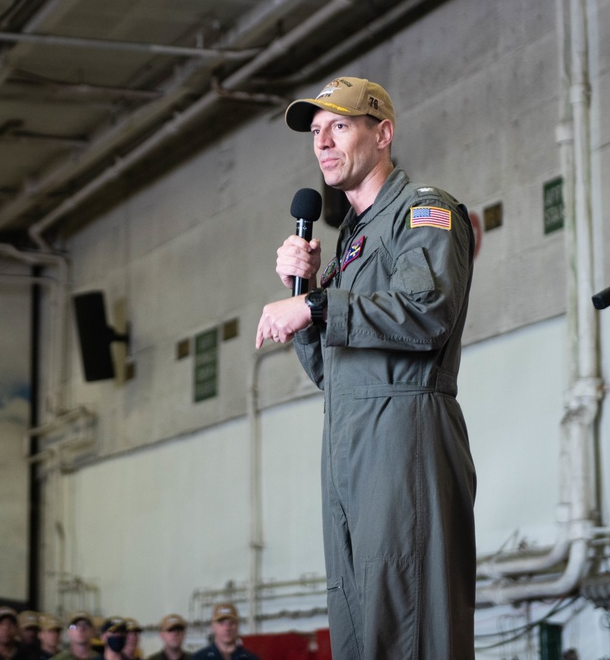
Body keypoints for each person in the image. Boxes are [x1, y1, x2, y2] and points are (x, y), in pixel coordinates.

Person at [255, 75, 476, 660]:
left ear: (383, 134)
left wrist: (315, 303)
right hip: (349, 441)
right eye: (317, 132)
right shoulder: (352, 242)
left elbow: (426, 314)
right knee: (359, 623)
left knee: (412, 622)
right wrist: (303, 287)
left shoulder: (424, 212)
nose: (323, 142)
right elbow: (333, 370)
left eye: (340, 126)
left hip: (405, 438)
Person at [190, 604, 256, 660]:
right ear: (212, 626)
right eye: (221, 623)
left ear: (238, 626)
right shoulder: (199, 658)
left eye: (232, 623)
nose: (227, 628)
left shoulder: (250, 658)